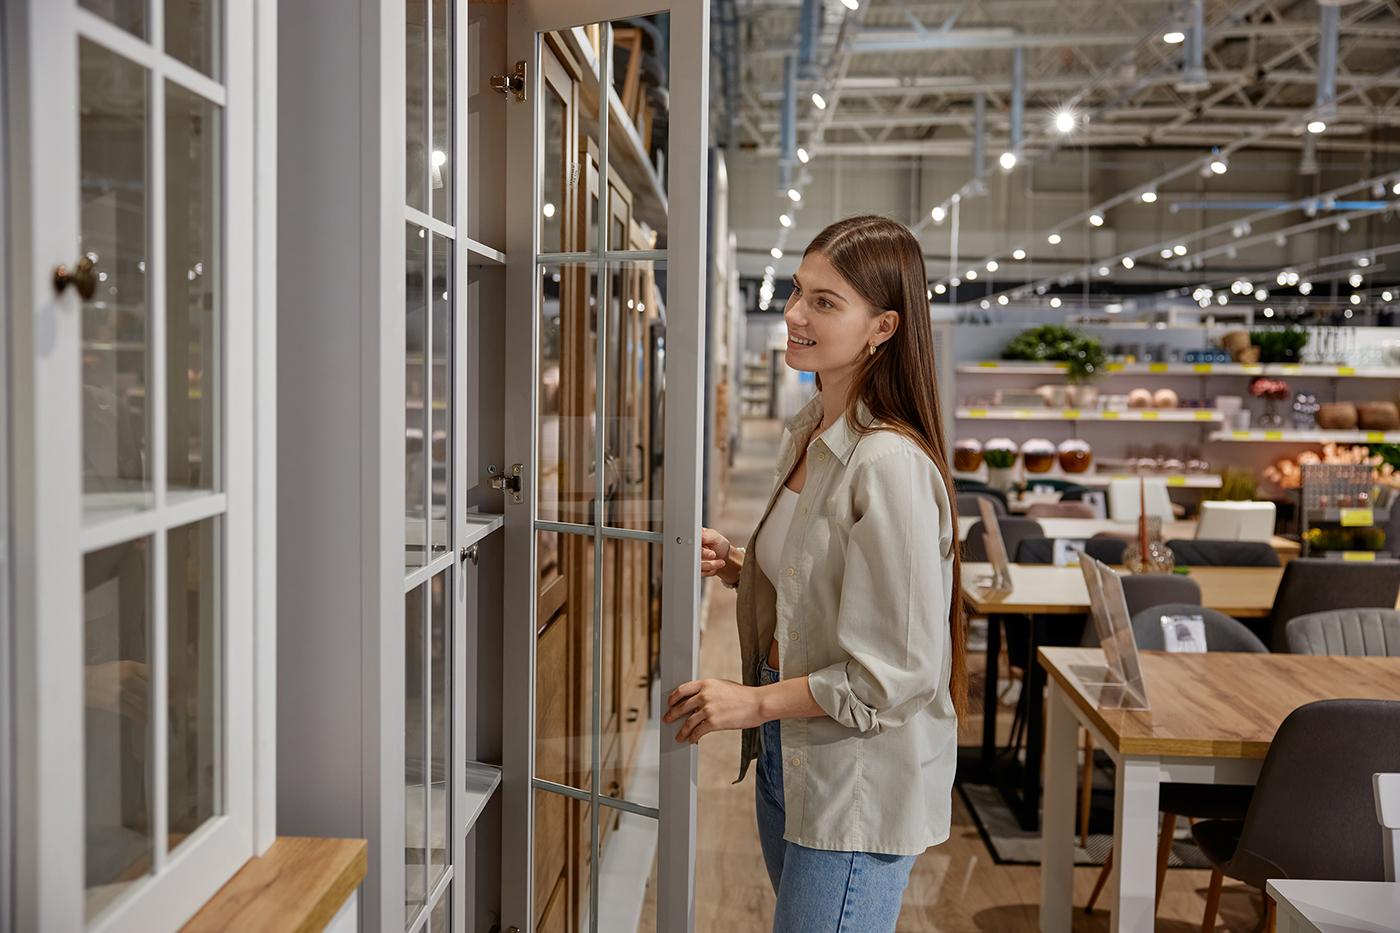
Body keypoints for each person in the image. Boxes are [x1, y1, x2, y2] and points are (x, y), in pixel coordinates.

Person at [662, 215, 967, 931]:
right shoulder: (811, 432)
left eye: (825, 302)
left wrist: (754, 704)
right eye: (800, 292)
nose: (795, 314)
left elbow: (898, 671)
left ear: (882, 327)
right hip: (793, 748)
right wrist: (744, 566)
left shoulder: (887, 466)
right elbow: (832, 578)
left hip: (853, 774)